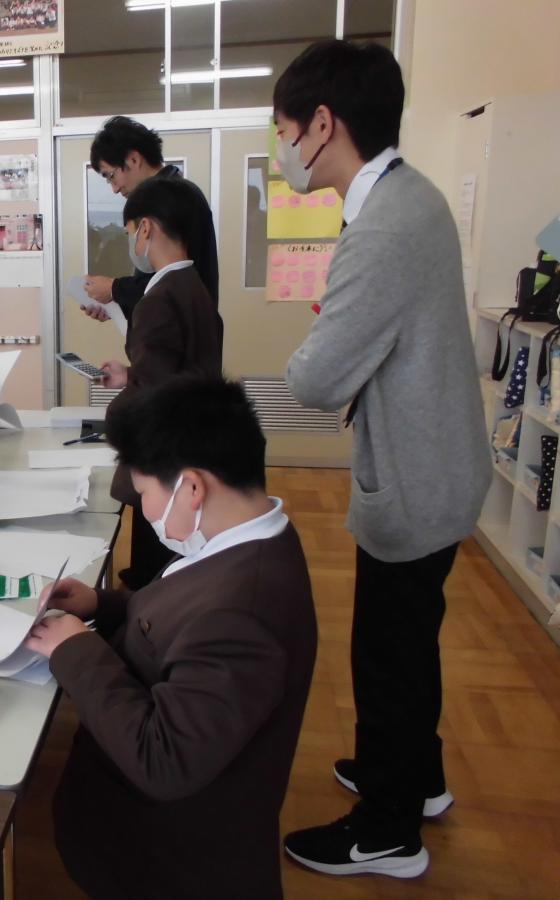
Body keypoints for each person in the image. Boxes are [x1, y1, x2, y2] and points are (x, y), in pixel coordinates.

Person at [276, 41, 491, 879]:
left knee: (387, 656)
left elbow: (316, 378)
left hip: (415, 477)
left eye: (287, 133)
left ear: (324, 124)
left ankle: (388, 831)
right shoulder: (410, 196)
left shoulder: (385, 226)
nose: (286, 151)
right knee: (409, 641)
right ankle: (415, 776)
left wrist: (330, 338)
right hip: (436, 466)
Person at [26, 376, 317, 900]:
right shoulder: (245, 538)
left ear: (192, 487)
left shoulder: (243, 614)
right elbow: (178, 626)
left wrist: (75, 650)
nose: (146, 509)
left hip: (168, 862)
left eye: (145, 494)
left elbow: (165, 760)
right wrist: (100, 605)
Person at [100, 175, 223, 589]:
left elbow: (153, 396)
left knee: (155, 565)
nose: (132, 242)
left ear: (146, 228)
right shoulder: (195, 287)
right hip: (191, 443)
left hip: (164, 456)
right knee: (174, 556)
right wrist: (131, 374)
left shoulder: (159, 298)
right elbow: (179, 368)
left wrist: (114, 416)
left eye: (130, 232)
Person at [82, 116, 219, 327]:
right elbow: (157, 285)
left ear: (133, 160)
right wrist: (116, 304)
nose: (114, 188)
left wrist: (114, 289)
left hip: (175, 335)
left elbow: (171, 282)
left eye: (111, 176)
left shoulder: (172, 198)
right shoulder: (162, 196)